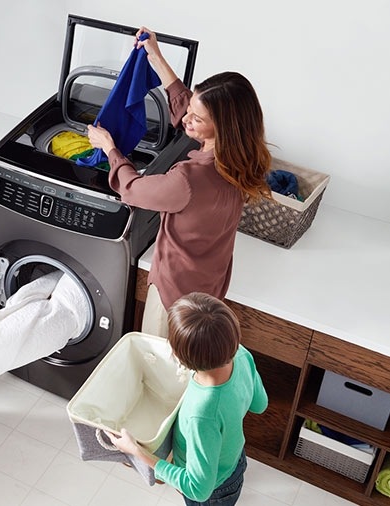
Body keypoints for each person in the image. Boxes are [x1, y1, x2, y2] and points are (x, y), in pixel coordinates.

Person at [87, 27, 272, 337]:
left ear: (222, 128)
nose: (186, 118)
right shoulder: (244, 163)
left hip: (172, 300)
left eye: (196, 118)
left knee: (158, 369)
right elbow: (188, 103)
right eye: (189, 110)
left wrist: (109, 148)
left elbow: (132, 189)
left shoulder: (188, 179)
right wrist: (156, 58)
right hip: (210, 293)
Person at [108, 292, 268, 505]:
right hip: (233, 462)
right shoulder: (240, 354)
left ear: (178, 356)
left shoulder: (203, 413)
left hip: (213, 494)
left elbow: (198, 489)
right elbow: (260, 404)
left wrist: (137, 452)